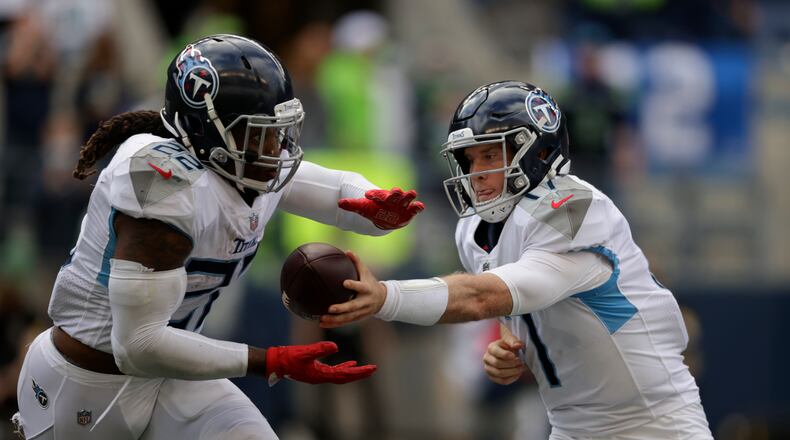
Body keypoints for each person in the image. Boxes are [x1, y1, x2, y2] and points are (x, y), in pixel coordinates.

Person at [12, 34, 424, 440]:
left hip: (168, 376)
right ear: (205, 130)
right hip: (85, 385)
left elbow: (337, 192)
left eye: (278, 131)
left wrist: (378, 206)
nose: (275, 147)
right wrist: (269, 360)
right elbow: (136, 343)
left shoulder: (246, 165)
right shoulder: (162, 182)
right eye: (258, 134)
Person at [321, 81, 713, 439]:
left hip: (653, 422)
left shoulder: (574, 207)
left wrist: (386, 297)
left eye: (490, 155)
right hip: (571, 426)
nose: (476, 173)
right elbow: (523, 313)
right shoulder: (474, 229)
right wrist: (509, 350)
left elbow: (485, 297)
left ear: (539, 151)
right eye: (469, 160)